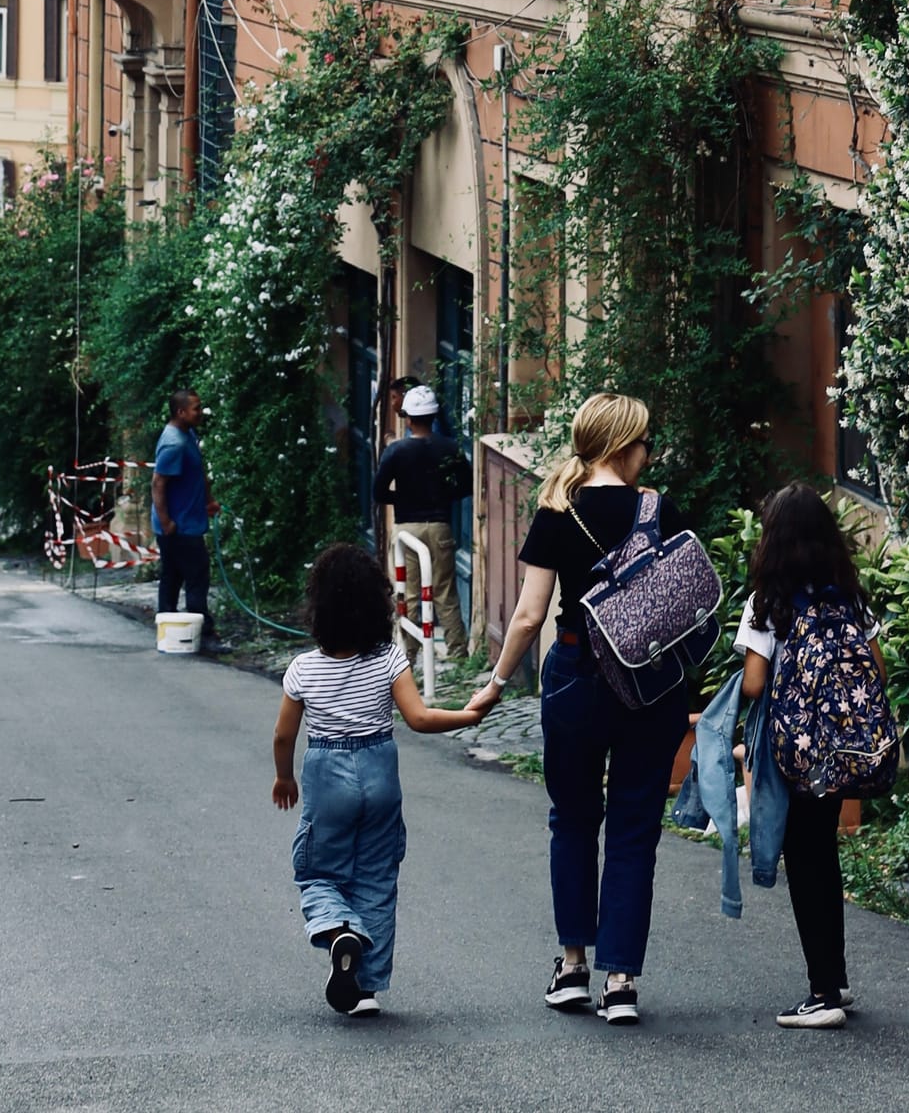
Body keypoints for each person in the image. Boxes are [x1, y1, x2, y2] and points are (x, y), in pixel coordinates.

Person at [481, 392, 690, 1028]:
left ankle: (572, 966)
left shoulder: (556, 509)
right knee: (634, 828)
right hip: (650, 682)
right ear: (625, 446)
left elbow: (528, 615)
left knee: (572, 820)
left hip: (575, 674)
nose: (648, 453)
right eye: (645, 441)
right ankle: (621, 981)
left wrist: (495, 682)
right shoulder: (657, 509)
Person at [271, 540, 498, 1017]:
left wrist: (284, 779)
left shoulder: (303, 669)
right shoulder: (388, 660)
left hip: (326, 773)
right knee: (376, 876)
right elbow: (417, 719)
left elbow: (282, 735)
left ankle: (339, 929)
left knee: (318, 871)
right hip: (379, 773)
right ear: (377, 605)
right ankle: (366, 987)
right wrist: (467, 715)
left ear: (318, 608)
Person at [736, 484, 888, 1031]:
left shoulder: (768, 603)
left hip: (794, 753)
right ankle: (835, 979)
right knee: (823, 855)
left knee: (804, 863)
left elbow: (754, 685)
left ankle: (822, 992)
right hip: (841, 751)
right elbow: (877, 670)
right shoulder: (849, 595)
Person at [370, 381, 468, 660]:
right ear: (433, 416)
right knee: (445, 591)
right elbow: (465, 485)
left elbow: (378, 492)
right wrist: (441, 497)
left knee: (408, 593)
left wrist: (403, 499)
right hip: (439, 526)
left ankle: (408, 654)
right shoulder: (450, 447)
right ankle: (457, 650)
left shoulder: (396, 451)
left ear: (408, 418)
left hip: (406, 529)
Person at [152, 391, 213, 637]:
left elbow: (197, 473)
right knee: (197, 577)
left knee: (172, 576)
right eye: (196, 409)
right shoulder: (174, 444)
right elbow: (158, 484)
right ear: (181, 412)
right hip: (180, 527)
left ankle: (169, 632)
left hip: (185, 522)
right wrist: (167, 522)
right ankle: (204, 634)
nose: (200, 413)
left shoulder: (187, 434)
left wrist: (209, 501)